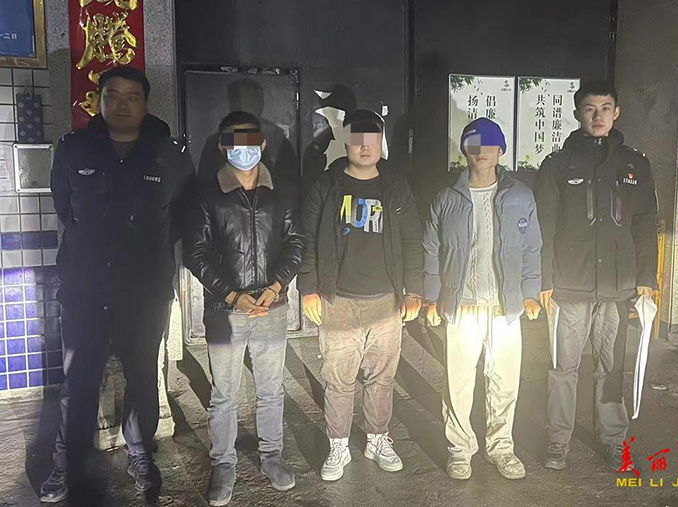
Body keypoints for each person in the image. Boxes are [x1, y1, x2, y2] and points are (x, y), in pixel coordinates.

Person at [41, 66, 195, 502]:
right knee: (79, 380)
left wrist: (145, 252)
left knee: (143, 378)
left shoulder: (169, 153)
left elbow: (182, 215)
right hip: (86, 290)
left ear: (146, 104)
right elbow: (65, 207)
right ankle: (66, 463)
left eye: (132, 96)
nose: (122, 104)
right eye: (113, 95)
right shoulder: (74, 149)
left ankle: (141, 453)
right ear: (100, 100)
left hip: (143, 292)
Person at [535, 80, 658, 471]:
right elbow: (544, 226)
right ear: (577, 113)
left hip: (618, 286)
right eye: (590, 108)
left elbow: (645, 223)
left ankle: (614, 440)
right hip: (570, 284)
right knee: (563, 368)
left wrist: (647, 276)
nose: (598, 115)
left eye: (606, 108)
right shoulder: (558, 165)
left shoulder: (635, 164)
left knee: (612, 367)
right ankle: (558, 441)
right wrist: (544, 278)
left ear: (617, 112)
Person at [185, 111, 304, 504]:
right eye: (235, 142)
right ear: (224, 147)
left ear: (262, 144)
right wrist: (232, 295)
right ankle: (223, 463)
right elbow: (196, 253)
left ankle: (272, 456)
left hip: (273, 305)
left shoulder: (280, 192)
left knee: (271, 389)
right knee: (225, 394)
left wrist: (276, 286)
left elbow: (295, 242)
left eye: (251, 141)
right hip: (227, 311)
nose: (244, 149)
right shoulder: (207, 195)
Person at [298, 109, 424, 481]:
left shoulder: (395, 185)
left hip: (385, 300)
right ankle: (338, 444)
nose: (365, 146)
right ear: (347, 142)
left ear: (380, 142)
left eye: (372, 139)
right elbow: (306, 238)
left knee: (382, 377)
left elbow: (412, 239)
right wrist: (308, 287)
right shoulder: (327, 185)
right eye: (357, 139)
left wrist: (415, 289)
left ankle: (377, 438)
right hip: (337, 300)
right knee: (338, 378)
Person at [423, 117, 542, 480]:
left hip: (506, 307)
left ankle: (501, 448)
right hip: (462, 306)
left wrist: (530, 293)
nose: (481, 152)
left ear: (501, 150)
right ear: (464, 151)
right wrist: (432, 298)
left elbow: (532, 247)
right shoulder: (446, 198)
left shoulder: (521, 195)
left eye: (489, 144)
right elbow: (432, 249)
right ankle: (460, 450)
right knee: (458, 384)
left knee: (504, 383)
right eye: (473, 145)